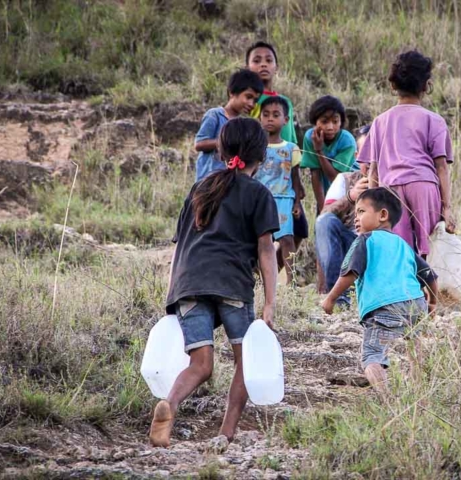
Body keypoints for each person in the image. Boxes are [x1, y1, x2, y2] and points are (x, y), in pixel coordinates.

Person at [149, 118, 279, 448]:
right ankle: (226, 432)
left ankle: (171, 404)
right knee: (244, 361)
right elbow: (266, 250)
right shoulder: (259, 194)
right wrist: (269, 303)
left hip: (187, 284)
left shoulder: (200, 188)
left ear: (220, 151)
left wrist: (171, 297)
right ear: (261, 156)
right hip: (231, 284)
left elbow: (180, 247)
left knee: (200, 364)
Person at [321, 188, 438, 395]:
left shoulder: (365, 240)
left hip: (384, 306)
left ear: (382, 215)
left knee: (372, 355)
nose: (356, 218)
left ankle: (388, 399)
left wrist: (330, 299)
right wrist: (433, 303)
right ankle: (420, 392)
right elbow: (429, 275)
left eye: (361, 212)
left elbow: (350, 273)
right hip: (415, 303)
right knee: (415, 346)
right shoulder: (403, 244)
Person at [358, 49, 455, 257]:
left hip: (390, 189)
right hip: (423, 186)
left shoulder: (380, 121)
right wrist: (447, 207)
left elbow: (373, 172)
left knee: (397, 251)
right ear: (425, 85)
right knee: (428, 249)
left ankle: (404, 288)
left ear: (393, 85)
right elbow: (441, 167)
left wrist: (374, 206)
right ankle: (426, 288)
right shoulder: (434, 120)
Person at [245, 41, 309, 257]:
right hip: (260, 177)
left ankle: (279, 274)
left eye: (268, 60)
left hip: (284, 182)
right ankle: (260, 274)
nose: (263, 64)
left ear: (276, 66)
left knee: (298, 229)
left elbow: (290, 140)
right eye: (256, 60)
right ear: (247, 67)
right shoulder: (250, 102)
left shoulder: (283, 102)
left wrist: (295, 180)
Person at [315, 125, 371, 299]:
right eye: (365, 154)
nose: (371, 161)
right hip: (350, 247)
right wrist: (351, 196)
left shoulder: (394, 182)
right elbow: (324, 217)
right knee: (324, 222)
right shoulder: (345, 179)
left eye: (376, 152)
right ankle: (338, 297)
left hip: (380, 249)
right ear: (357, 156)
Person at [254, 96, 302, 284]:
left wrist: (297, 201)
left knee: (286, 239)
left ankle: (291, 280)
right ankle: (258, 280)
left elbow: (296, 178)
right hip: (259, 200)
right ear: (260, 118)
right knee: (258, 241)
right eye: (266, 115)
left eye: (276, 115)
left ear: (286, 120)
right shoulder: (256, 147)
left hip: (283, 198)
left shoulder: (292, 149)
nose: (270, 119)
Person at [194, 69, 264, 182]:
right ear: (232, 92)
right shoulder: (215, 115)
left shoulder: (243, 125)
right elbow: (199, 144)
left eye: (255, 101)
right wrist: (225, 142)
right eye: (248, 97)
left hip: (230, 182)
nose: (251, 104)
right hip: (209, 182)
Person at [300, 95, 358, 215]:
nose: (330, 127)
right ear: (315, 122)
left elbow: (336, 178)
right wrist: (323, 208)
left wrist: (319, 151)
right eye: (324, 121)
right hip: (327, 190)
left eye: (335, 121)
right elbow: (315, 173)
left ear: (341, 121)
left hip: (349, 189)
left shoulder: (347, 141)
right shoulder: (310, 137)